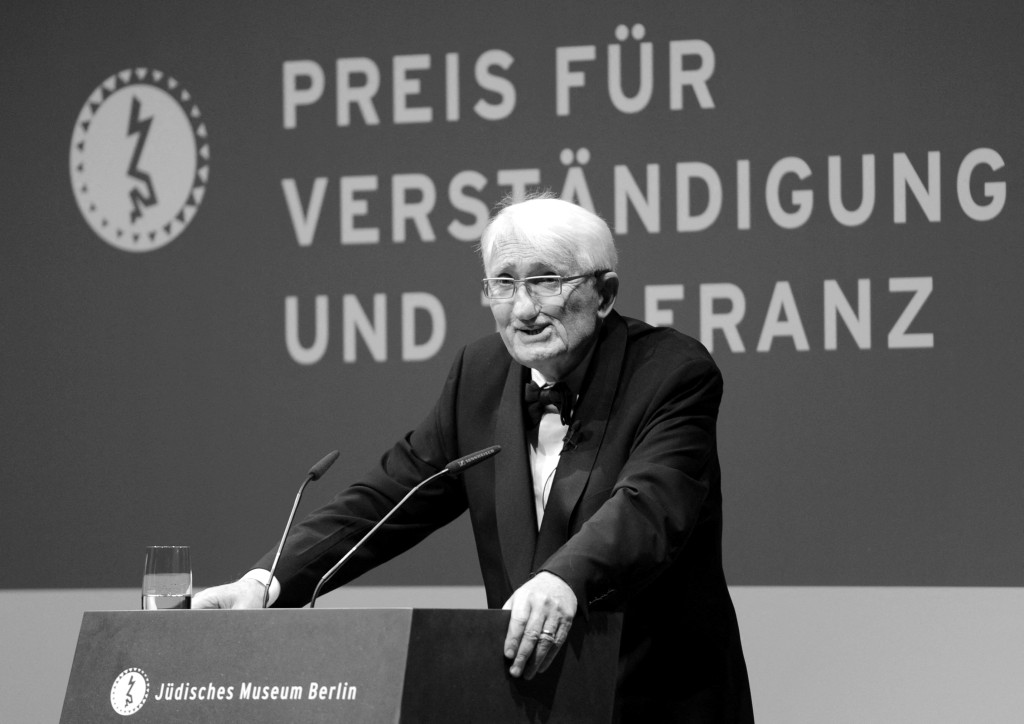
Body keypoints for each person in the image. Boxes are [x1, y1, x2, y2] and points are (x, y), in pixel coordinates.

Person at [194, 195, 753, 721]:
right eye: (504, 284)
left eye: (546, 281)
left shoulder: (671, 371)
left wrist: (563, 578)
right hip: (529, 700)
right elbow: (388, 498)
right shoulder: (479, 375)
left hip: (658, 697)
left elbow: (650, 505)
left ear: (604, 294)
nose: (524, 309)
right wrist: (267, 581)